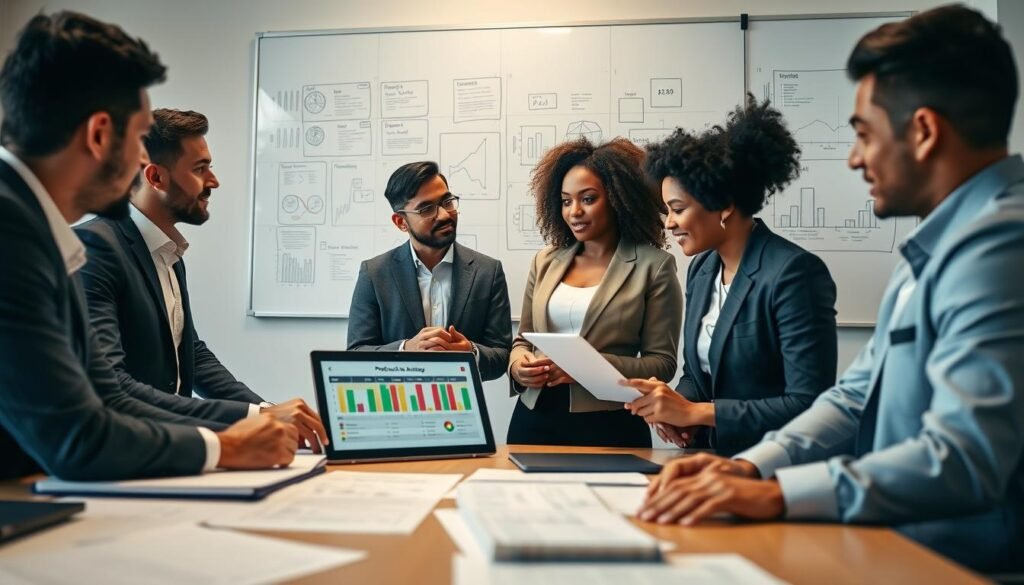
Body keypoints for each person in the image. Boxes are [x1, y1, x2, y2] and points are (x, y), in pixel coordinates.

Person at [636, 5, 1024, 573]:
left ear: (922, 131)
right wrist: (750, 468)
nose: (854, 157)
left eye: (864, 134)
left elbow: (964, 457)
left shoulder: (1000, 247)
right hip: (900, 546)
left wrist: (777, 492)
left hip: (968, 565)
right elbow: (852, 398)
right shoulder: (934, 247)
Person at [0, 11, 297, 480]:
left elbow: (108, 398)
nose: (143, 159)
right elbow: (78, 438)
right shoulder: (13, 233)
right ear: (99, 135)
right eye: (139, 138)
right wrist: (222, 446)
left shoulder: (36, 228)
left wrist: (245, 427)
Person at [74, 108, 326, 447]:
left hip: (167, 446)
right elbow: (113, 384)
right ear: (156, 177)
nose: (214, 181)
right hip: (122, 452)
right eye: (200, 168)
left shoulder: (168, 253)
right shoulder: (96, 247)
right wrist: (256, 418)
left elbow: (192, 351)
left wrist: (266, 410)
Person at [622, 97, 838, 455]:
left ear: (724, 205)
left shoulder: (794, 273)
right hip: (707, 460)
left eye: (677, 209)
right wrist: (674, 407)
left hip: (773, 464)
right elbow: (698, 375)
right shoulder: (702, 269)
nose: (669, 223)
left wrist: (697, 412)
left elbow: (808, 403)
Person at [508, 137, 682, 447]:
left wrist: (586, 368)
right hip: (534, 419)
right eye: (565, 200)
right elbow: (524, 339)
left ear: (618, 198)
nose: (574, 211)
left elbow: (662, 364)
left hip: (610, 423)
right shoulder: (545, 261)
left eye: (588, 199)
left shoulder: (654, 267)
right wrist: (519, 367)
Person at [347, 161, 513, 381]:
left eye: (447, 201)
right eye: (426, 209)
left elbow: (502, 356)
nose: (445, 215)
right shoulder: (374, 273)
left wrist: (470, 352)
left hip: (461, 408)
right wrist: (406, 349)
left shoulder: (488, 271)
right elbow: (355, 355)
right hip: (395, 406)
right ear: (401, 222)